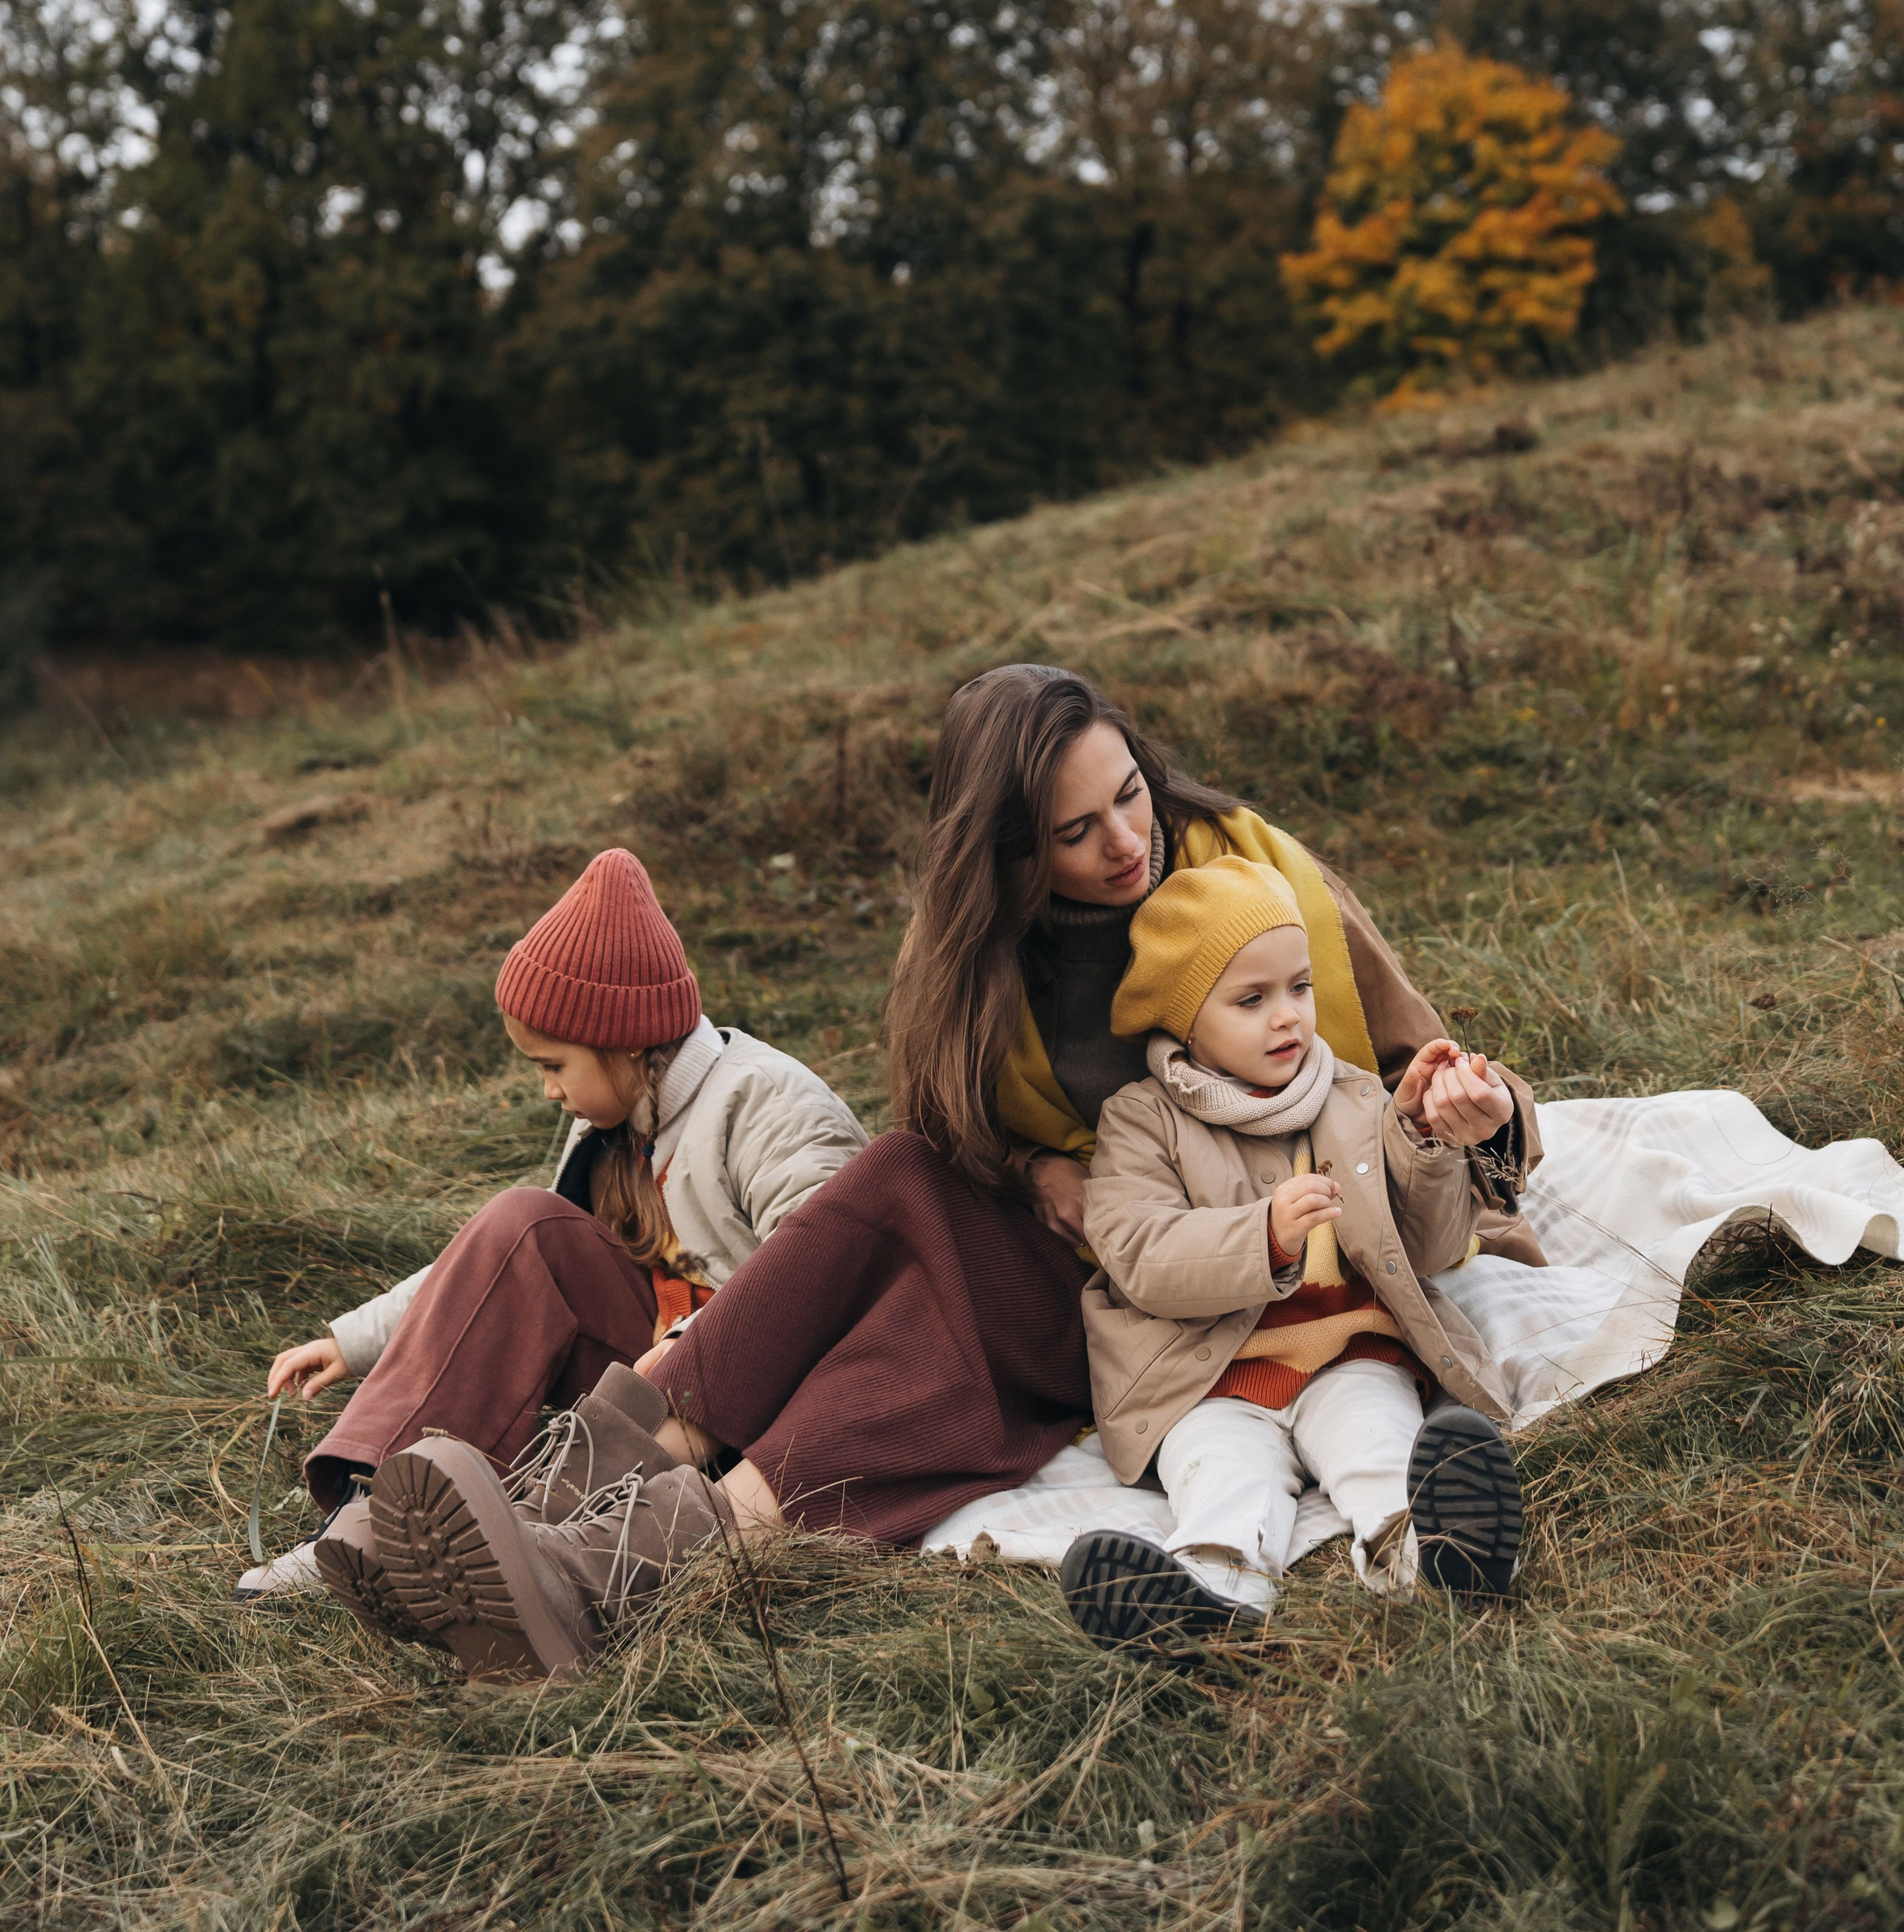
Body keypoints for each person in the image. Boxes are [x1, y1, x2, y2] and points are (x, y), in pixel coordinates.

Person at [361, 667, 1544, 1682]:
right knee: (900, 1182)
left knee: (936, 1326)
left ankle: (628, 1552)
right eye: (1076, 834)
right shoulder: (983, 958)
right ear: (1009, 857)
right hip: (1097, 1245)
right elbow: (952, 1135)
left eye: (1129, 795)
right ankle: (561, 1509)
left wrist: (1472, 1115)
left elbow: (1431, 1073)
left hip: (1215, 1280)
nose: (1126, 843)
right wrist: (1036, 1167)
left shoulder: (1263, 880)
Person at [233, 847, 866, 1625]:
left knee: (533, 1226)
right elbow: (498, 1267)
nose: (547, 1089)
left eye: (552, 1064)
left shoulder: (769, 1105)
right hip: (639, 1377)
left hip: (747, 1402)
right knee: (522, 1219)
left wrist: (697, 1341)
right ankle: (373, 1513)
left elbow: (823, 1276)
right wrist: (356, 1337)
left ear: (624, 1039)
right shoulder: (613, 1120)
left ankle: (491, 1532)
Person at [1060, 856, 1522, 1655]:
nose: (1287, 1018)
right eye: (1251, 999)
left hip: (1347, 1354)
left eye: (1299, 988)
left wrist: (1423, 1141)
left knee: (1378, 1443)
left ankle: (1435, 1556)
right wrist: (1259, 1235)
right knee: (1224, 1478)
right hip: (1205, 1379)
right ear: (1185, 1019)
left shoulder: (1347, 1094)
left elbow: (1432, 1248)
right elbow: (1138, 1252)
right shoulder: (1139, 1123)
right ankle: (1207, 1596)